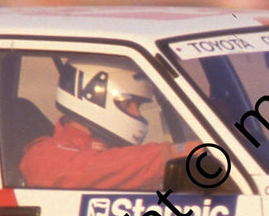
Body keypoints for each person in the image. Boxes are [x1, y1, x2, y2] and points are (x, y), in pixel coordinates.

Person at [19, 59, 197, 190]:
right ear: (90, 99)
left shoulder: (116, 152)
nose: (136, 114)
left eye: (139, 105)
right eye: (127, 104)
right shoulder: (44, 155)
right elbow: (97, 169)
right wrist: (178, 154)